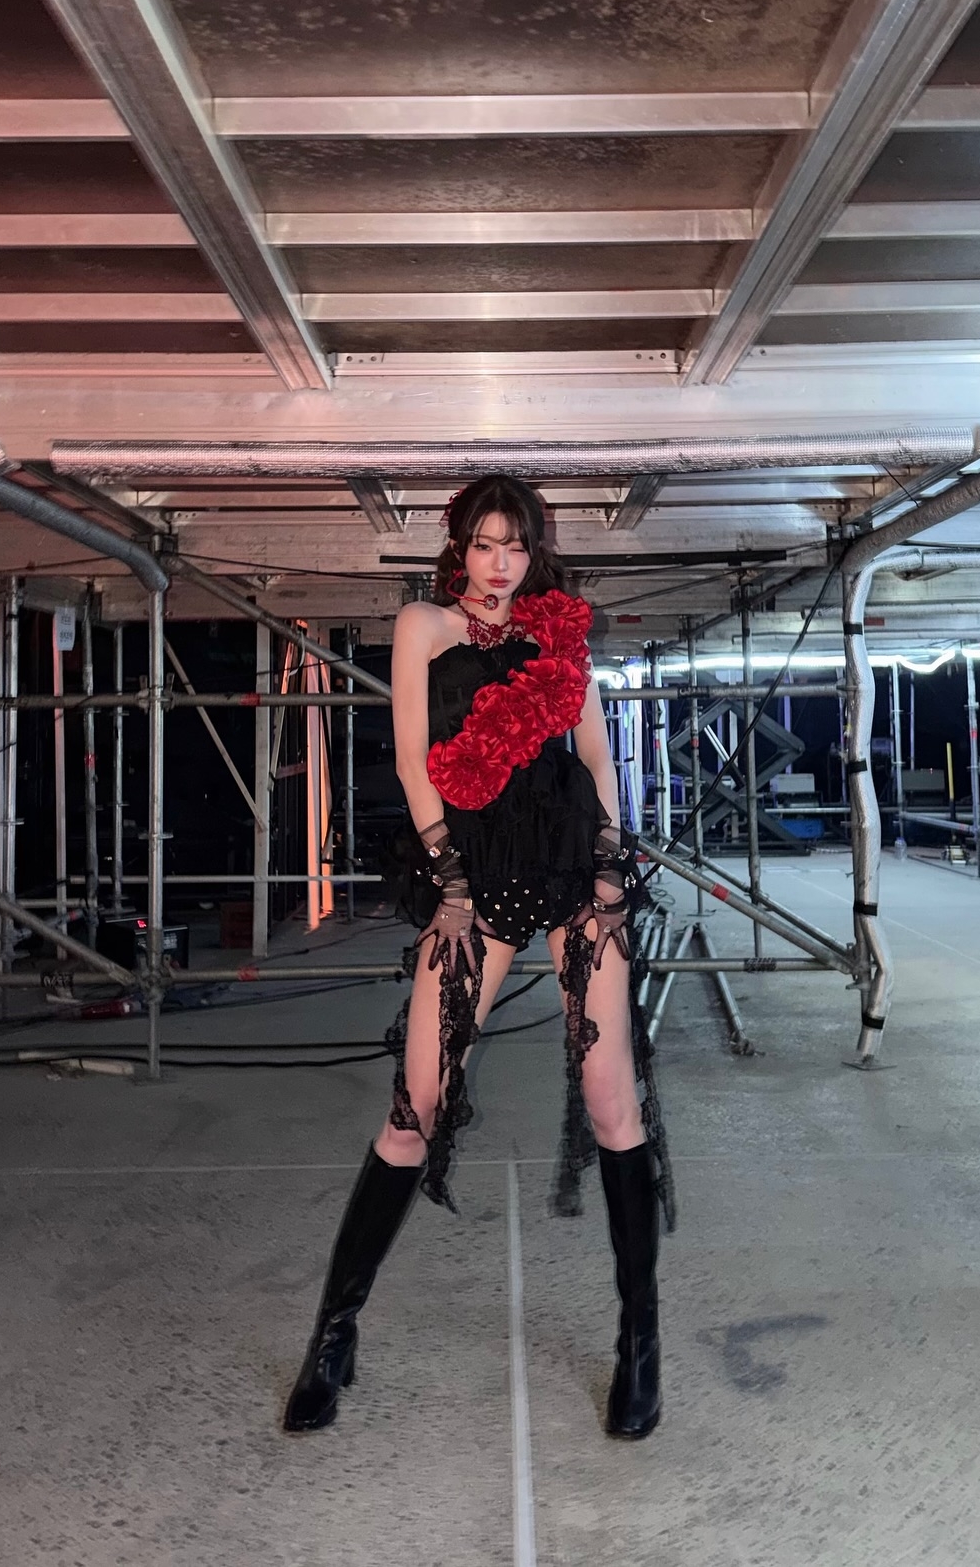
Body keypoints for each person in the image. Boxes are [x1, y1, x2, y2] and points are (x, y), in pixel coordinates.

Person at [283, 475, 674, 1440]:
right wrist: (449, 879)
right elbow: (414, 759)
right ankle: (334, 1333)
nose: (502, 565)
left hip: (570, 855)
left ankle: (640, 1341)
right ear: (458, 545)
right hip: (476, 868)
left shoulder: (556, 630)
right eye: (487, 544)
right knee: (415, 1106)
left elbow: (594, 752)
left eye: (518, 546)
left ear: (536, 550)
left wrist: (611, 860)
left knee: (611, 1099)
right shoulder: (422, 625)